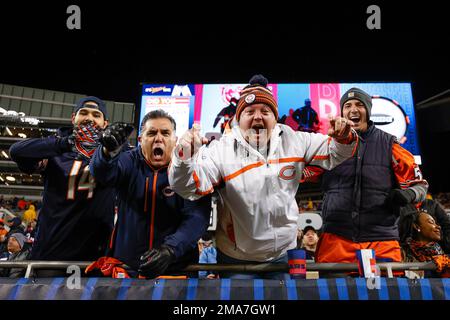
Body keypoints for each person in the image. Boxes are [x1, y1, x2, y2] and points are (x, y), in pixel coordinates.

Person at [169, 74, 358, 279]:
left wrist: (344, 137)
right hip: (237, 258)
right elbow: (188, 187)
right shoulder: (220, 150)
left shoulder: (295, 139)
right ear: (238, 119)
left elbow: (336, 152)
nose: (258, 117)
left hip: (284, 254)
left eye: (265, 111)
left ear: (275, 119)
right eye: (249, 111)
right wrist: (183, 156)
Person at [89, 109, 211, 278]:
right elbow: (102, 173)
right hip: (128, 270)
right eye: (152, 133)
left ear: (175, 140)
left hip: (176, 271)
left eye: (165, 133)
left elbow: (197, 218)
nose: (158, 138)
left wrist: (170, 249)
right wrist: (106, 152)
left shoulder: (191, 168)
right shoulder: (129, 160)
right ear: (140, 140)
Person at [313, 87, 429, 265]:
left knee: (385, 292)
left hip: (381, 240)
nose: (353, 109)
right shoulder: (327, 145)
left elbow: (420, 185)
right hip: (336, 240)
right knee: (336, 293)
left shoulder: (390, 145)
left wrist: (409, 194)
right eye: (348, 105)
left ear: (368, 110)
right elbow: (300, 174)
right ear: (342, 112)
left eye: (359, 104)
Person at [9, 96, 115, 268]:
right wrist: (65, 144)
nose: (89, 118)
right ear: (73, 118)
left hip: (95, 258)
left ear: (105, 123)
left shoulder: (113, 153)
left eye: (96, 115)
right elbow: (16, 151)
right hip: (50, 254)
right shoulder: (56, 147)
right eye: (84, 113)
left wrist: (113, 149)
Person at [398, 209, 450, 277]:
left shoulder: (441, 254)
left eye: (435, 223)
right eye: (431, 222)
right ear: (417, 227)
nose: (438, 226)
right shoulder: (402, 253)